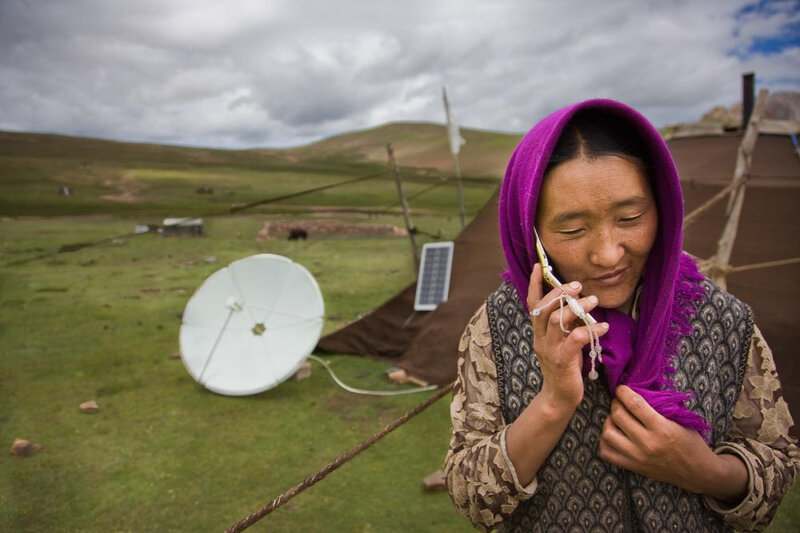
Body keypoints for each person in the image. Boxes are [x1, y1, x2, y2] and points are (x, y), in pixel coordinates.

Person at [444, 99, 799, 532]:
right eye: (572, 230)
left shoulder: (722, 319)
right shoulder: (495, 329)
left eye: (631, 217)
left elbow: (778, 463)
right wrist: (553, 402)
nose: (608, 254)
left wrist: (706, 471)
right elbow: (472, 497)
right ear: (530, 231)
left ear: (661, 204)